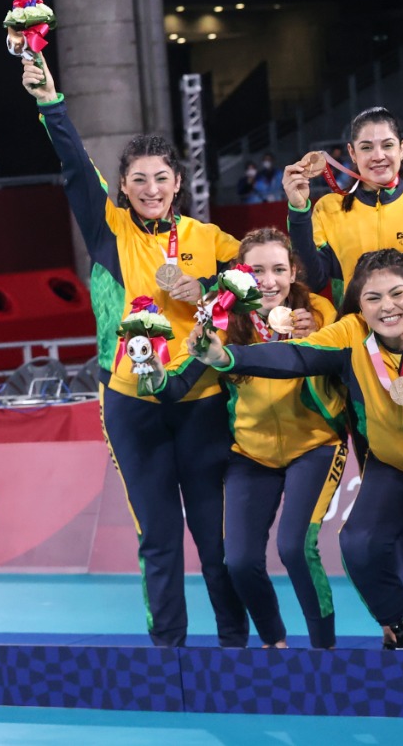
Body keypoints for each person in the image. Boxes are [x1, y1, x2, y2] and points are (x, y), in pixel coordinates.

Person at [21, 53, 247, 648]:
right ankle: (169, 653)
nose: (151, 189)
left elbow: (263, 278)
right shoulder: (109, 230)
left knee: (217, 540)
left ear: (178, 183)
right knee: (159, 537)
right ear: (123, 186)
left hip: (200, 403)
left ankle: (235, 646)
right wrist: (50, 102)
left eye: (161, 178)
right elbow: (75, 164)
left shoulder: (207, 238)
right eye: (139, 179)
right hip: (132, 404)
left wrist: (209, 286)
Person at [192, 249, 403, 650]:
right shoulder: (351, 334)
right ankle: (398, 633)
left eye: (397, 293)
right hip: (395, 465)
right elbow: (297, 355)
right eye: (373, 298)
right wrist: (227, 356)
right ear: (360, 305)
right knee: (358, 544)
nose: (386, 307)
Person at [150, 228, 347, 649]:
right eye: (257, 271)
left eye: (278, 269)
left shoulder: (318, 311)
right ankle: (274, 644)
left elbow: (334, 358)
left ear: (294, 272)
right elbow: (179, 378)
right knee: (237, 561)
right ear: (240, 274)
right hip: (251, 453)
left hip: (316, 444)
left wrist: (312, 334)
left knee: (295, 548)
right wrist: (154, 371)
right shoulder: (224, 317)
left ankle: (323, 649)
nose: (269, 281)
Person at [282, 108, 403, 308]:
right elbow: (311, 282)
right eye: (366, 148)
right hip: (354, 328)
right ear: (352, 153)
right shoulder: (329, 208)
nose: (378, 156)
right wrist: (299, 211)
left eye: (387, 145)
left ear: (401, 149)